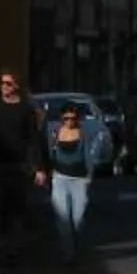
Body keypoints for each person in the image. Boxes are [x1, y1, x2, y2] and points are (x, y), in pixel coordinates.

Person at [0, 70, 47, 264]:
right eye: (2, 83)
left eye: (8, 83)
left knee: (16, 211)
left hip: (17, 167)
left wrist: (39, 168)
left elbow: (34, 139)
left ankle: (13, 249)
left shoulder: (25, 111)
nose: (4, 87)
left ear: (16, 86)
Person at [45, 98, 94, 259]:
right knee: (63, 219)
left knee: (78, 219)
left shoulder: (83, 133)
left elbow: (88, 156)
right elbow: (50, 154)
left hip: (79, 180)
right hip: (59, 178)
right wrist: (47, 173)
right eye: (66, 118)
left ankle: (76, 243)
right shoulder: (54, 132)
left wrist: (89, 176)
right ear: (61, 118)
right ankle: (68, 252)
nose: (69, 122)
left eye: (73, 118)